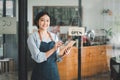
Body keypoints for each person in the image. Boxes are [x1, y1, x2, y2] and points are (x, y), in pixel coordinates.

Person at [27, 11, 71, 80]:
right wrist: (53, 49)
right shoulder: (32, 37)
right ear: (37, 21)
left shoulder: (54, 36)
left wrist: (63, 54)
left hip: (53, 72)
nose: (45, 23)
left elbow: (56, 57)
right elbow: (38, 58)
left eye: (47, 20)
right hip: (39, 73)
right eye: (42, 20)